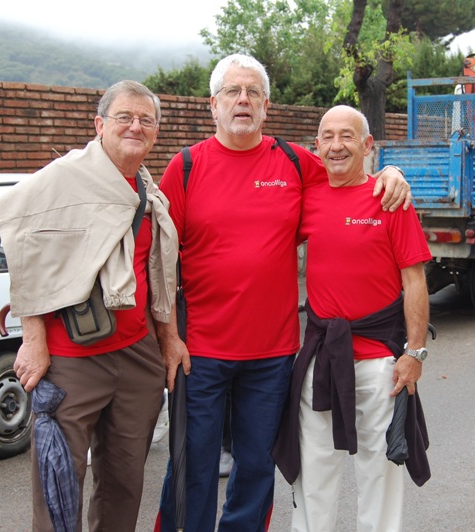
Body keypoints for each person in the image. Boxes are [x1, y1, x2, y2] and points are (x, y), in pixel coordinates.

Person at [153, 54, 410, 532]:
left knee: (256, 468)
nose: (243, 100)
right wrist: (169, 338)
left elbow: (349, 173)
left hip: (272, 355)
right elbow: (160, 264)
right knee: (193, 464)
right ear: (213, 105)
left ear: (266, 106)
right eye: (233, 91)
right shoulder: (184, 167)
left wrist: (388, 174)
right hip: (200, 352)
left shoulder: (293, 162)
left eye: (252, 92)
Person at [0, 80, 178, 531]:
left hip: (137, 356)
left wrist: (168, 339)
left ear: (155, 132)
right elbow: (24, 249)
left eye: (146, 120)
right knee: (57, 482)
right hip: (71, 360)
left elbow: (158, 273)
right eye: (124, 117)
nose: (136, 126)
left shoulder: (146, 188)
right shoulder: (65, 176)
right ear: (99, 124)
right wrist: (33, 341)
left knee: (124, 481)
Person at [272, 106, 432, 531]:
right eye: (327, 136)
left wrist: (415, 353)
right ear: (317, 146)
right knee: (314, 473)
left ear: (367, 146)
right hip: (321, 357)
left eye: (347, 136)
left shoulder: (389, 198)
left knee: (379, 470)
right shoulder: (309, 196)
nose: (336, 145)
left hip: (380, 361)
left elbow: (414, 281)